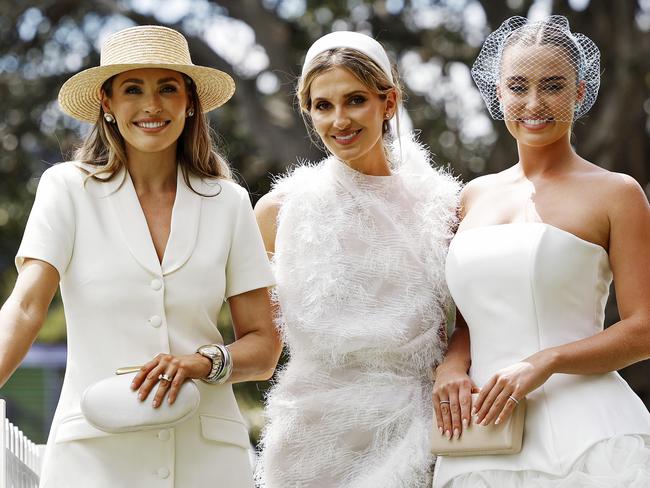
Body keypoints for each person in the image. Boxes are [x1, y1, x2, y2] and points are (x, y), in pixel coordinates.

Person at [0, 25, 281, 487]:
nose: (152, 106)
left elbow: (264, 346)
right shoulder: (67, 190)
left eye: (167, 88)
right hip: (93, 458)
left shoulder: (228, 203)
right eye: (133, 89)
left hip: (208, 461)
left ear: (189, 101)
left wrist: (201, 362)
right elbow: (27, 306)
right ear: (107, 103)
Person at [432, 15, 650, 487]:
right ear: (498, 93)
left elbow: (644, 329)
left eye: (552, 86)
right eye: (518, 87)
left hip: (589, 438)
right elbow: (470, 319)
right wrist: (451, 365)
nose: (534, 103)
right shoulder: (469, 197)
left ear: (579, 91)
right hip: (479, 440)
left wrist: (545, 361)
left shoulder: (618, 193)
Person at [254, 31, 460, 487]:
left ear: (388, 103)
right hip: (308, 441)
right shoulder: (278, 211)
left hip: (413, 432)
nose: (339, 120)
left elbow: (466, 323)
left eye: (355, 100)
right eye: (322, 106)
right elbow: (261, 342)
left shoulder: (444, 206)